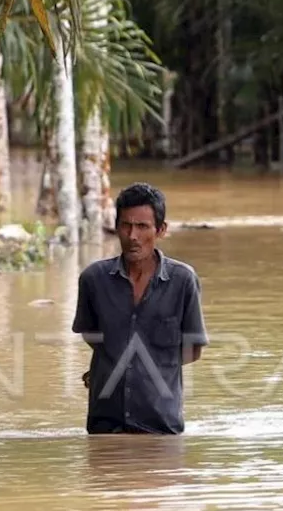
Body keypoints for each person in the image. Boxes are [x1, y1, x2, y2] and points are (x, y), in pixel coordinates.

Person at [71, 182, 208, 435]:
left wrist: (137, 369)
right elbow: (89, 333)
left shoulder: (182, 281)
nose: (133, 236)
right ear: (116, 227)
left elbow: (193, 350)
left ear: (161, 230)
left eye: (143, 226)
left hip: (161, 427)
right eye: (126, 225)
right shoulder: (93, 279)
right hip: (105, 426)